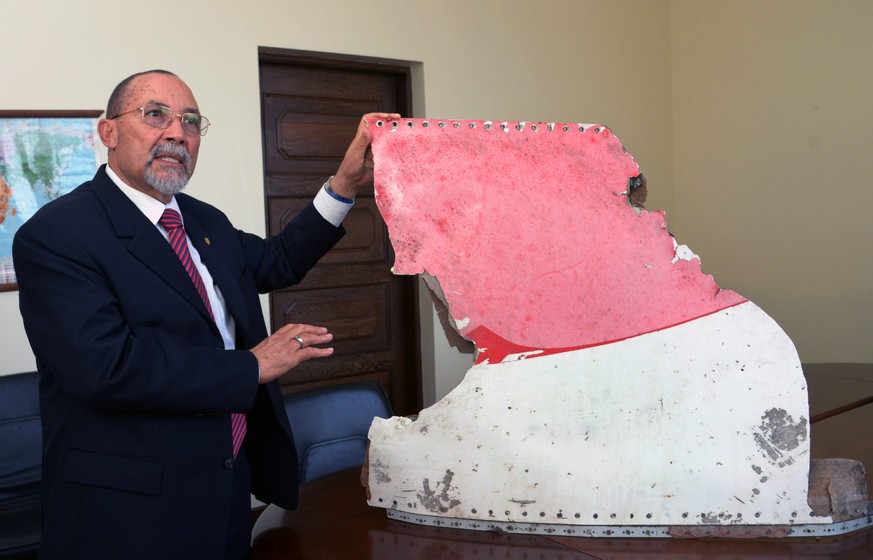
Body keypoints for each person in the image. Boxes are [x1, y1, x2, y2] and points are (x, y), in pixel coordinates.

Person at [12, 68, 399, 560]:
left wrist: (344, 184)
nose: (177, 133)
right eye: (155, 115)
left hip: (225, 484)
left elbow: (278, 259)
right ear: (107, 131)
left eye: (191, 121)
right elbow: (104, 368)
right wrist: (252, 366)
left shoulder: (201, 219)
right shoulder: (58, 235)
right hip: (128, 513)